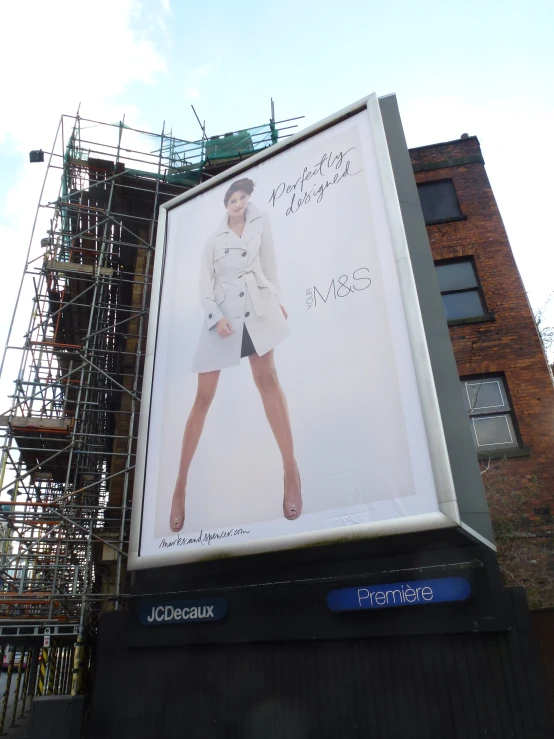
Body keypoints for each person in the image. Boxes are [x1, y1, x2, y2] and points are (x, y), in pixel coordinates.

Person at [169, 177, 302, 532]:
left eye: (244, 197)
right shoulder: (213, 240)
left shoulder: (261, 224)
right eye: (234, 197)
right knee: (203, 396)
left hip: (258, 307)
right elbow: (204, 287)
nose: (239, 202)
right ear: (226, 202)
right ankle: (180, 486)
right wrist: (217, 318)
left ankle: (291, 470)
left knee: (268, 380)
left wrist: (276, 301)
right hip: (223, 315)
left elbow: (270, 266)